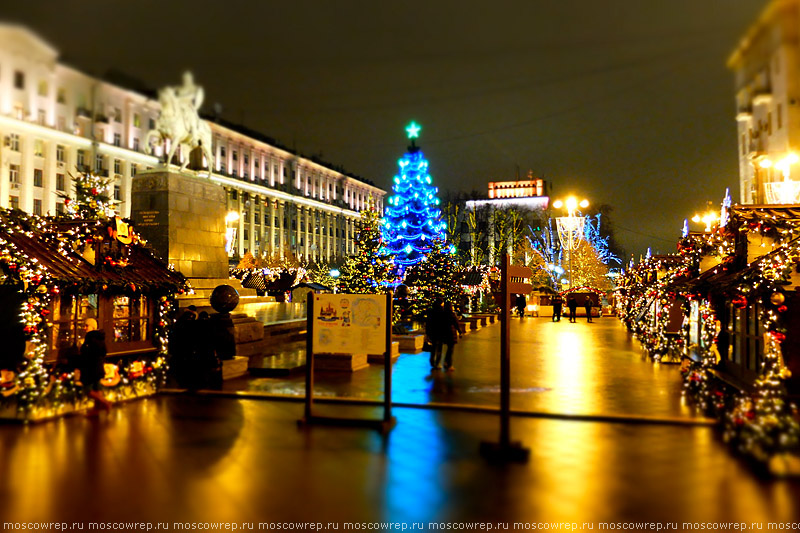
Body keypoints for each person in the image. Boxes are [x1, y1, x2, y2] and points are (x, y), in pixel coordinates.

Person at [80, 330, 112, 414]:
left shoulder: (90, 345)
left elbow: (84, 355)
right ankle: (96, 410)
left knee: (87, 390)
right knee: (97, 388)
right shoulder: (101, 343)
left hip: (90, 370)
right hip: (99, 369)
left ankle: (105, 402)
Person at [442, 302, 465, 372]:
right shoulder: (452, 314)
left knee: (449, 349)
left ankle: (446, 362)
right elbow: (456, 324)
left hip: (445, 332)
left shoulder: (443, 314)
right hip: (451, 333)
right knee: (450, 349)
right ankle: (449, 365)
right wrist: (460, 331)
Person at [425, 297, 445, 370]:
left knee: (433, 347)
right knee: (439, 348)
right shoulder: (442, 311)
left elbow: (428, 323)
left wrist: (427, 333)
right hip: (440, 332)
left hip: (433, 332)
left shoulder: (431, 311)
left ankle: (432, 360)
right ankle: (437, 363)